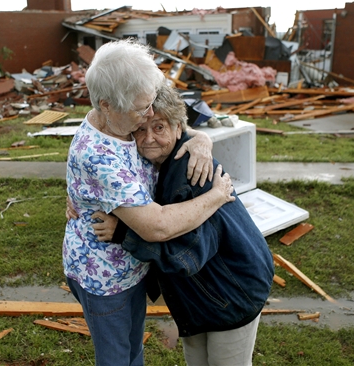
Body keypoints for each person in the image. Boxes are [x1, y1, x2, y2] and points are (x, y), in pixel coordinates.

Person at [64, 39, 236, 366]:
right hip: (106, 278)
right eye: (143, 109)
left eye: (150, 103)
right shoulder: (101, 158)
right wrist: (216, 196)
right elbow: (157, 226)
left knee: (134, 349)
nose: (150, 114)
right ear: (107, 104)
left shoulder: (117, 119)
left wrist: (201, 139)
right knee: (117, 358)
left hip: (131, 269)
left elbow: (175, 121)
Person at [93, 84, 275, 366]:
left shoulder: (193, 172)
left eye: (160, 128)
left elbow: (185, 253)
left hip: (231, 291)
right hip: (202, 297)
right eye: (141, 129)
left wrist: (123, 233)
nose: (148, 138)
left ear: (178, 128)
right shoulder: (155, 163)